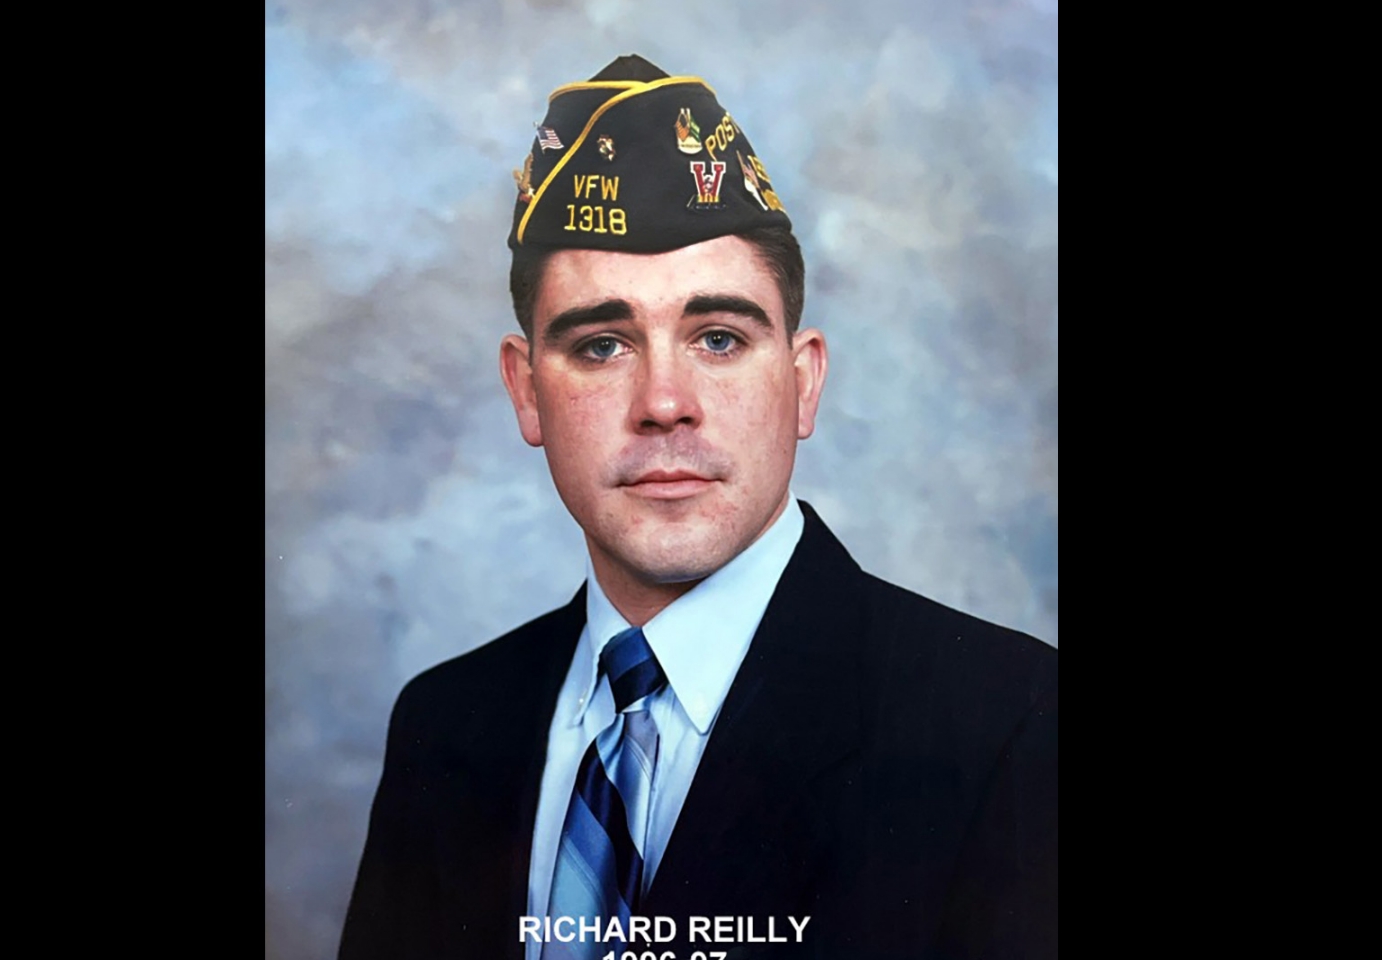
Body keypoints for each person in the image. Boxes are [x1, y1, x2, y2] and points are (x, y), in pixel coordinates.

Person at [339, 55, 1057, 960]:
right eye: (601, 345)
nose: (664, 402)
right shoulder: (445, 724)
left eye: (718, 338)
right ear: (526, 392)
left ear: (803, 382)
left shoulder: (1011, 725)